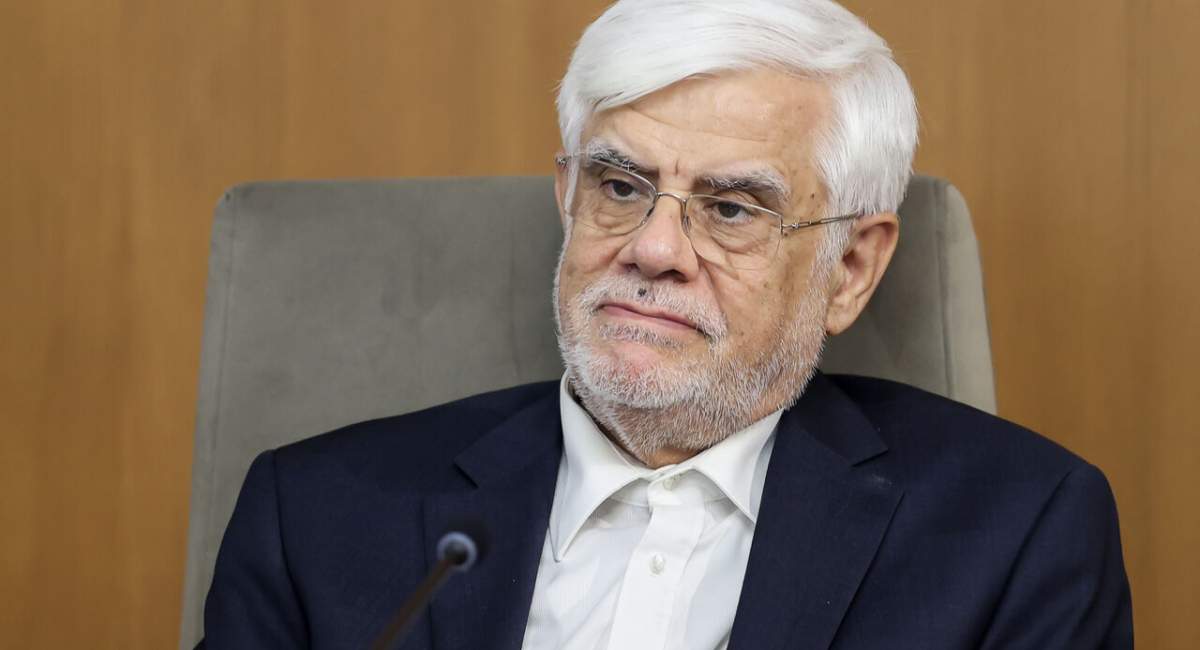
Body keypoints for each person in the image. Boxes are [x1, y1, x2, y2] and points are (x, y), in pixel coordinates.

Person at [199, 0, 1133, 648]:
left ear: (850, 268)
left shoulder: (1018, 533)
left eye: (730, 208)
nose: (653, 250)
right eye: (620, 186)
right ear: (568, 198)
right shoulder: (315, 516)